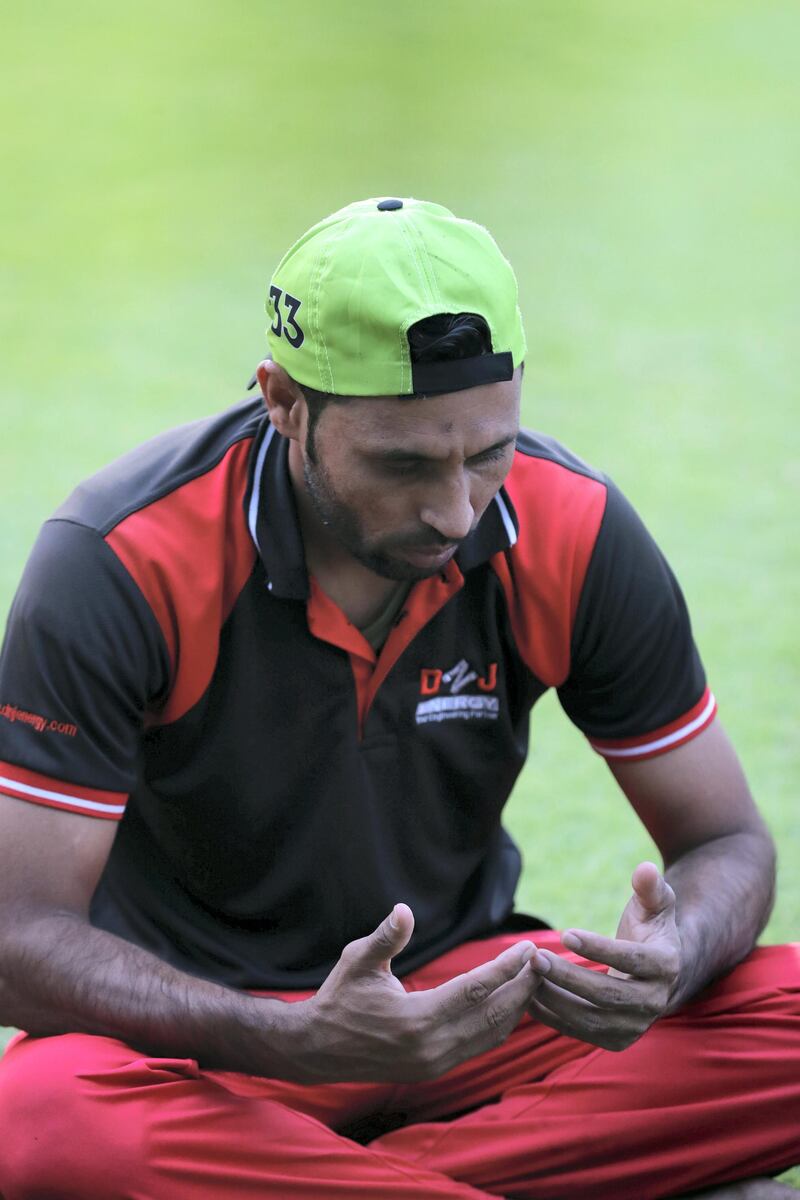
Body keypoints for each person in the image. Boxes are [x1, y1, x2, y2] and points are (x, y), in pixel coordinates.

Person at [0, 197, 796, 1200]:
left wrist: (676, 951)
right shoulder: (121, 560)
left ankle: (321, 1183)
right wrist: (292, 1039)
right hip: (212, 1047)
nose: (456, 509)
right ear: (283, 401)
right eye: (403, 464)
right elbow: (14, 936)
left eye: (485, 452)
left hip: (469, 1011)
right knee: (41, 1121)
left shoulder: (569, 526)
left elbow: (725, 843)